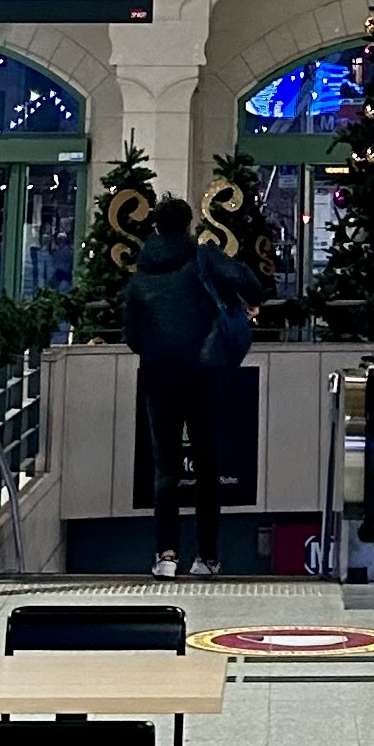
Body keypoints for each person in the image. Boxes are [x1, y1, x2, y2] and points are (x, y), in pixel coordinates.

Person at [119, 195, 261, 581]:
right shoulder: (202, 257)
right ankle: (207, 557)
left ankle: (166, 556)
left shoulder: (140, 275)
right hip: (203, 375)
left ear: (155, 226)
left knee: (165, 469)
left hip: (158, 379)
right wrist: (245, 304)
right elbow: (248, 280)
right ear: (188, 224)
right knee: (207, 466)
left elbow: (132, 336)